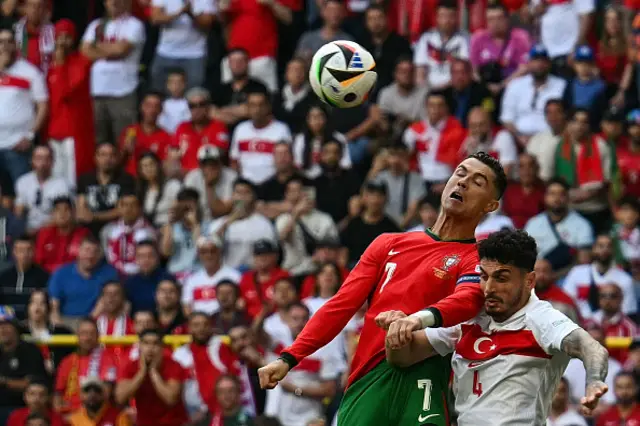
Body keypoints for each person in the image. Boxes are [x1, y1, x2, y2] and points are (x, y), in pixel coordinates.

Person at [258, 152, 507, 426]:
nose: (462, 183)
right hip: (368, 380)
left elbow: (469, 299)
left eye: (477, 181)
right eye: (460, 173)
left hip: (425, 380)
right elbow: (340, 306)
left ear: (491, 205)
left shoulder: (474, 258)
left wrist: (415, 319)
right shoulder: (388, 243)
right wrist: (289, 357)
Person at [383, 229, 609, 425]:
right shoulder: (469, 318)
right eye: (484, 276)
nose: (488, 288)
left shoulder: (543, 319)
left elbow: (592, 348)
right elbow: (402, 356)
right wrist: (396, 331)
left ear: (529, 281)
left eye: (501, 278)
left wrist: (594, 380)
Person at [46, 19, 95, 187]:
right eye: (59, 37)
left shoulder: (82, 63)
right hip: (54, 129)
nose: (62, 41)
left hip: (74, 130)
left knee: (73, 177)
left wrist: (59, 65)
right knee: (56, 176)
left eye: (67, 37)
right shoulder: (51, 65)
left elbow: (67, 91)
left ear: (73, 39)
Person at [115, 328, 189, 426]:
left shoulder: (174, 366)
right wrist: (141, 373)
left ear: (162, 347)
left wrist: (153, 372)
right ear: (139, 346)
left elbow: (170, 398)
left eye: (155, 344)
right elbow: (120, 398)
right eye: (146, 343)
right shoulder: (130, 366)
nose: (150, 348)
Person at [53, 318, 118, 414]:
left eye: (92, 334)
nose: (88, 337)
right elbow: (57, 394)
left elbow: (105, 393)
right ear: (77, 336)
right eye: (84, 333)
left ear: (98, 337)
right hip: (68, 415)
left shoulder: (108, 359)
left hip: (94, 414)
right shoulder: (67, 361)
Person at [0, 307, 48, 425]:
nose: (2, 329)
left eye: (6, 325)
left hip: (24, 408)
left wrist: (4, 382)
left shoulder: (30, 351)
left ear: (16, 327)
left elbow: (34, 384)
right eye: (0, 326)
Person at [35, 196, 91, 273]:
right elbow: (38, 262)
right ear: (53, 214)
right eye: (58, 210)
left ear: (74, 213)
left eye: (66, 209)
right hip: (47, 278)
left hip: (75, 278)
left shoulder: (84, 234)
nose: (62, 214)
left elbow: (88, 263)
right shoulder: (44, 234)